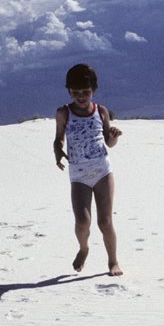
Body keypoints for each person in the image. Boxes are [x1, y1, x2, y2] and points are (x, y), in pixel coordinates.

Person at [53, 64, 124, 276]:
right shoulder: (63, 113)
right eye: (75, 92)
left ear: (93, 90)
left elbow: (108, 143)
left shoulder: (101, 111)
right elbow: (58, 139)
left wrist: (113, 137)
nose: (81, 97)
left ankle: (113, 261)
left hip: (102, 171)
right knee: (82, 222)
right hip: (79, 175)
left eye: (86, 92)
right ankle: (84, 248)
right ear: (69, 91)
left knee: (105, 221)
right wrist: (57, 152)